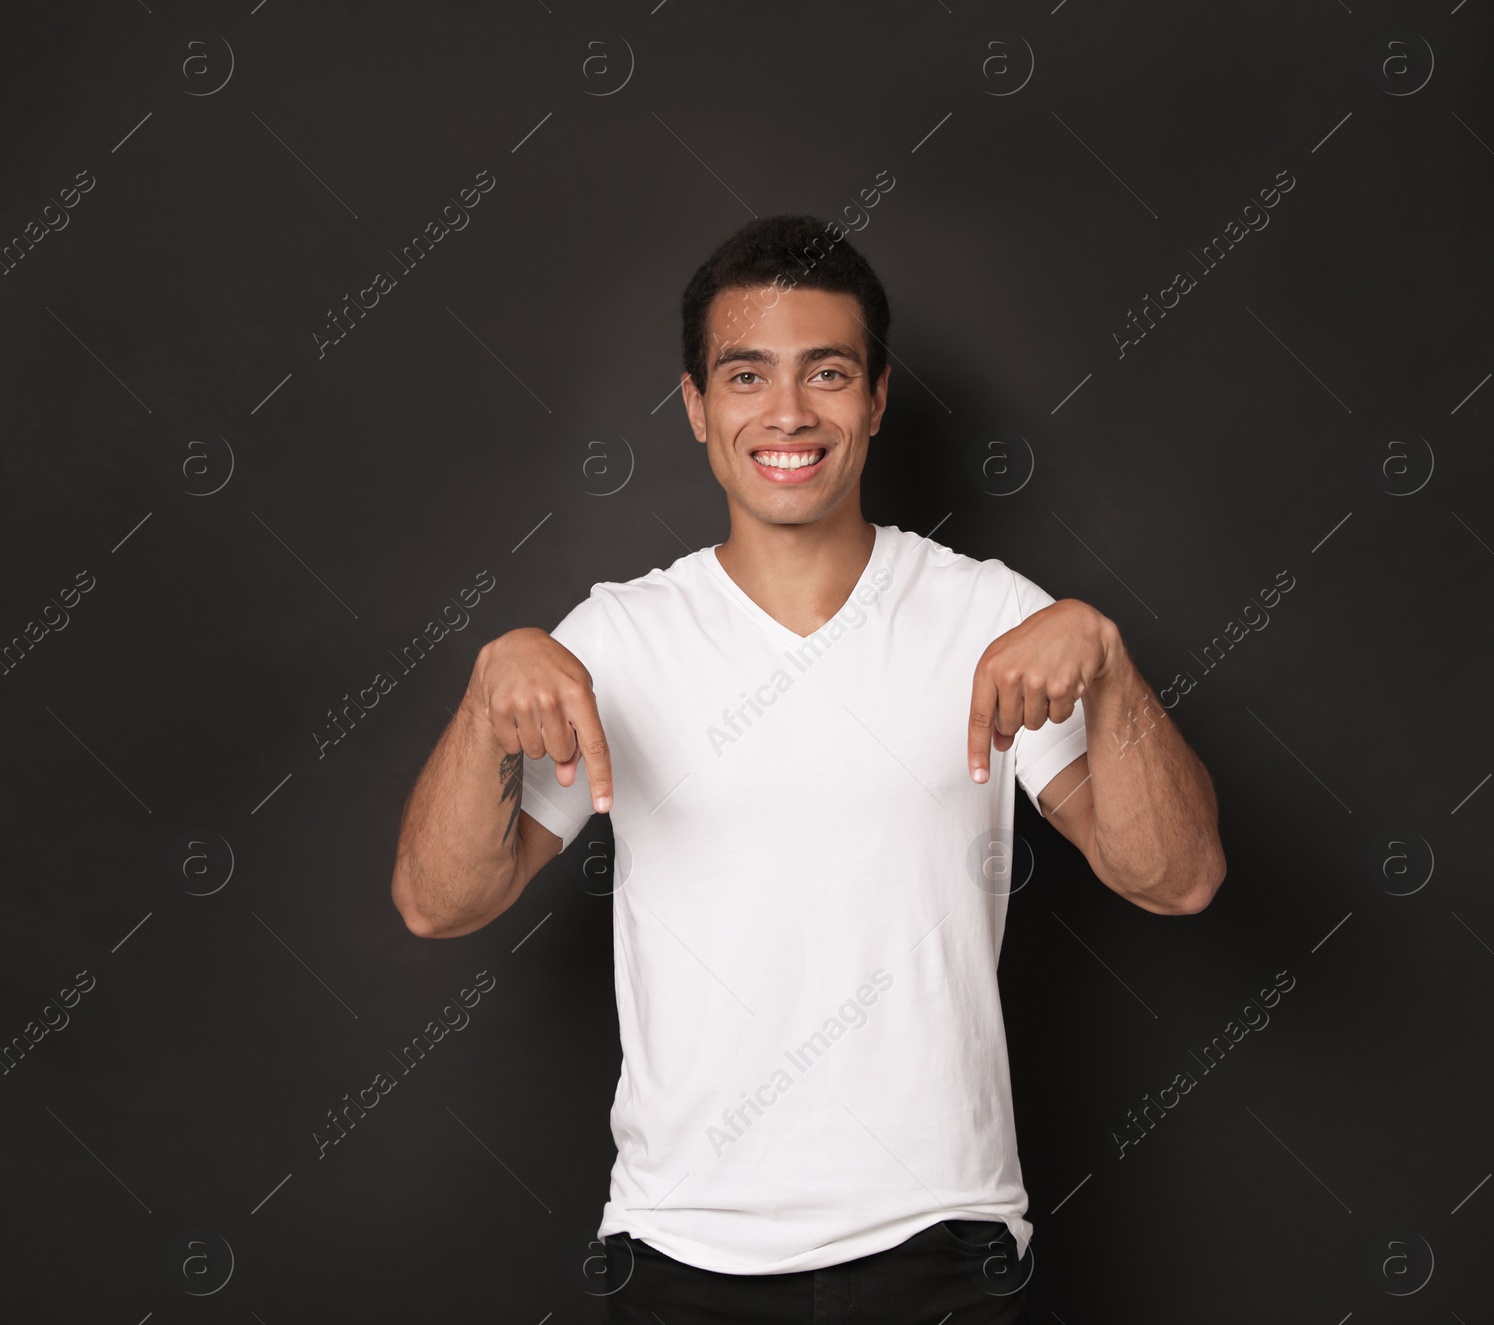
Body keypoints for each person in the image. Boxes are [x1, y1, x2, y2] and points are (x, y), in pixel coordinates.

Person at [390, 214, 1226, 1322]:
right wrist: (485, 694)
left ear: (875, 399)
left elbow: (1177, 877)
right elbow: (439, 904)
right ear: (696, 408)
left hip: (942, 1243)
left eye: (826, 373)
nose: (787, 413)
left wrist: (1110, 667)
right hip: (680, 1250)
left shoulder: (988, 616)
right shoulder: (616, 640)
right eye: (747, 375)